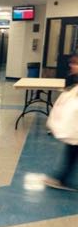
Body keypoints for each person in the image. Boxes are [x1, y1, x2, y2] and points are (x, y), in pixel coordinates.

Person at [45, 53, 78, 191]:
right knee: (72, 150)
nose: (71, 66)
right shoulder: (73, 81)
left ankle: (61, 179)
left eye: (75, 63)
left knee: (72, 150)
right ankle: (61, 179)